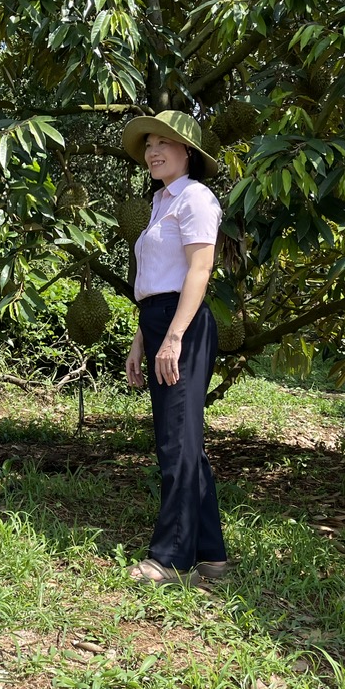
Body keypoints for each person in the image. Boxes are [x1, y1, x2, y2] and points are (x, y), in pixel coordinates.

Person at [119, 109, 230, 586]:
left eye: (163, 143)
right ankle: (212, 557)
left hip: (182, 322)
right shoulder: (160, 202)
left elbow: (198, 272)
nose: (153, 152)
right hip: (159, 318)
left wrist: (174, 336)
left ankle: (171, 558)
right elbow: (155, 281)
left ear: (188, 152)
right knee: (183, 442)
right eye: (148, 145)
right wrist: (142, 339)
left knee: (176, 443)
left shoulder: (196, 198)